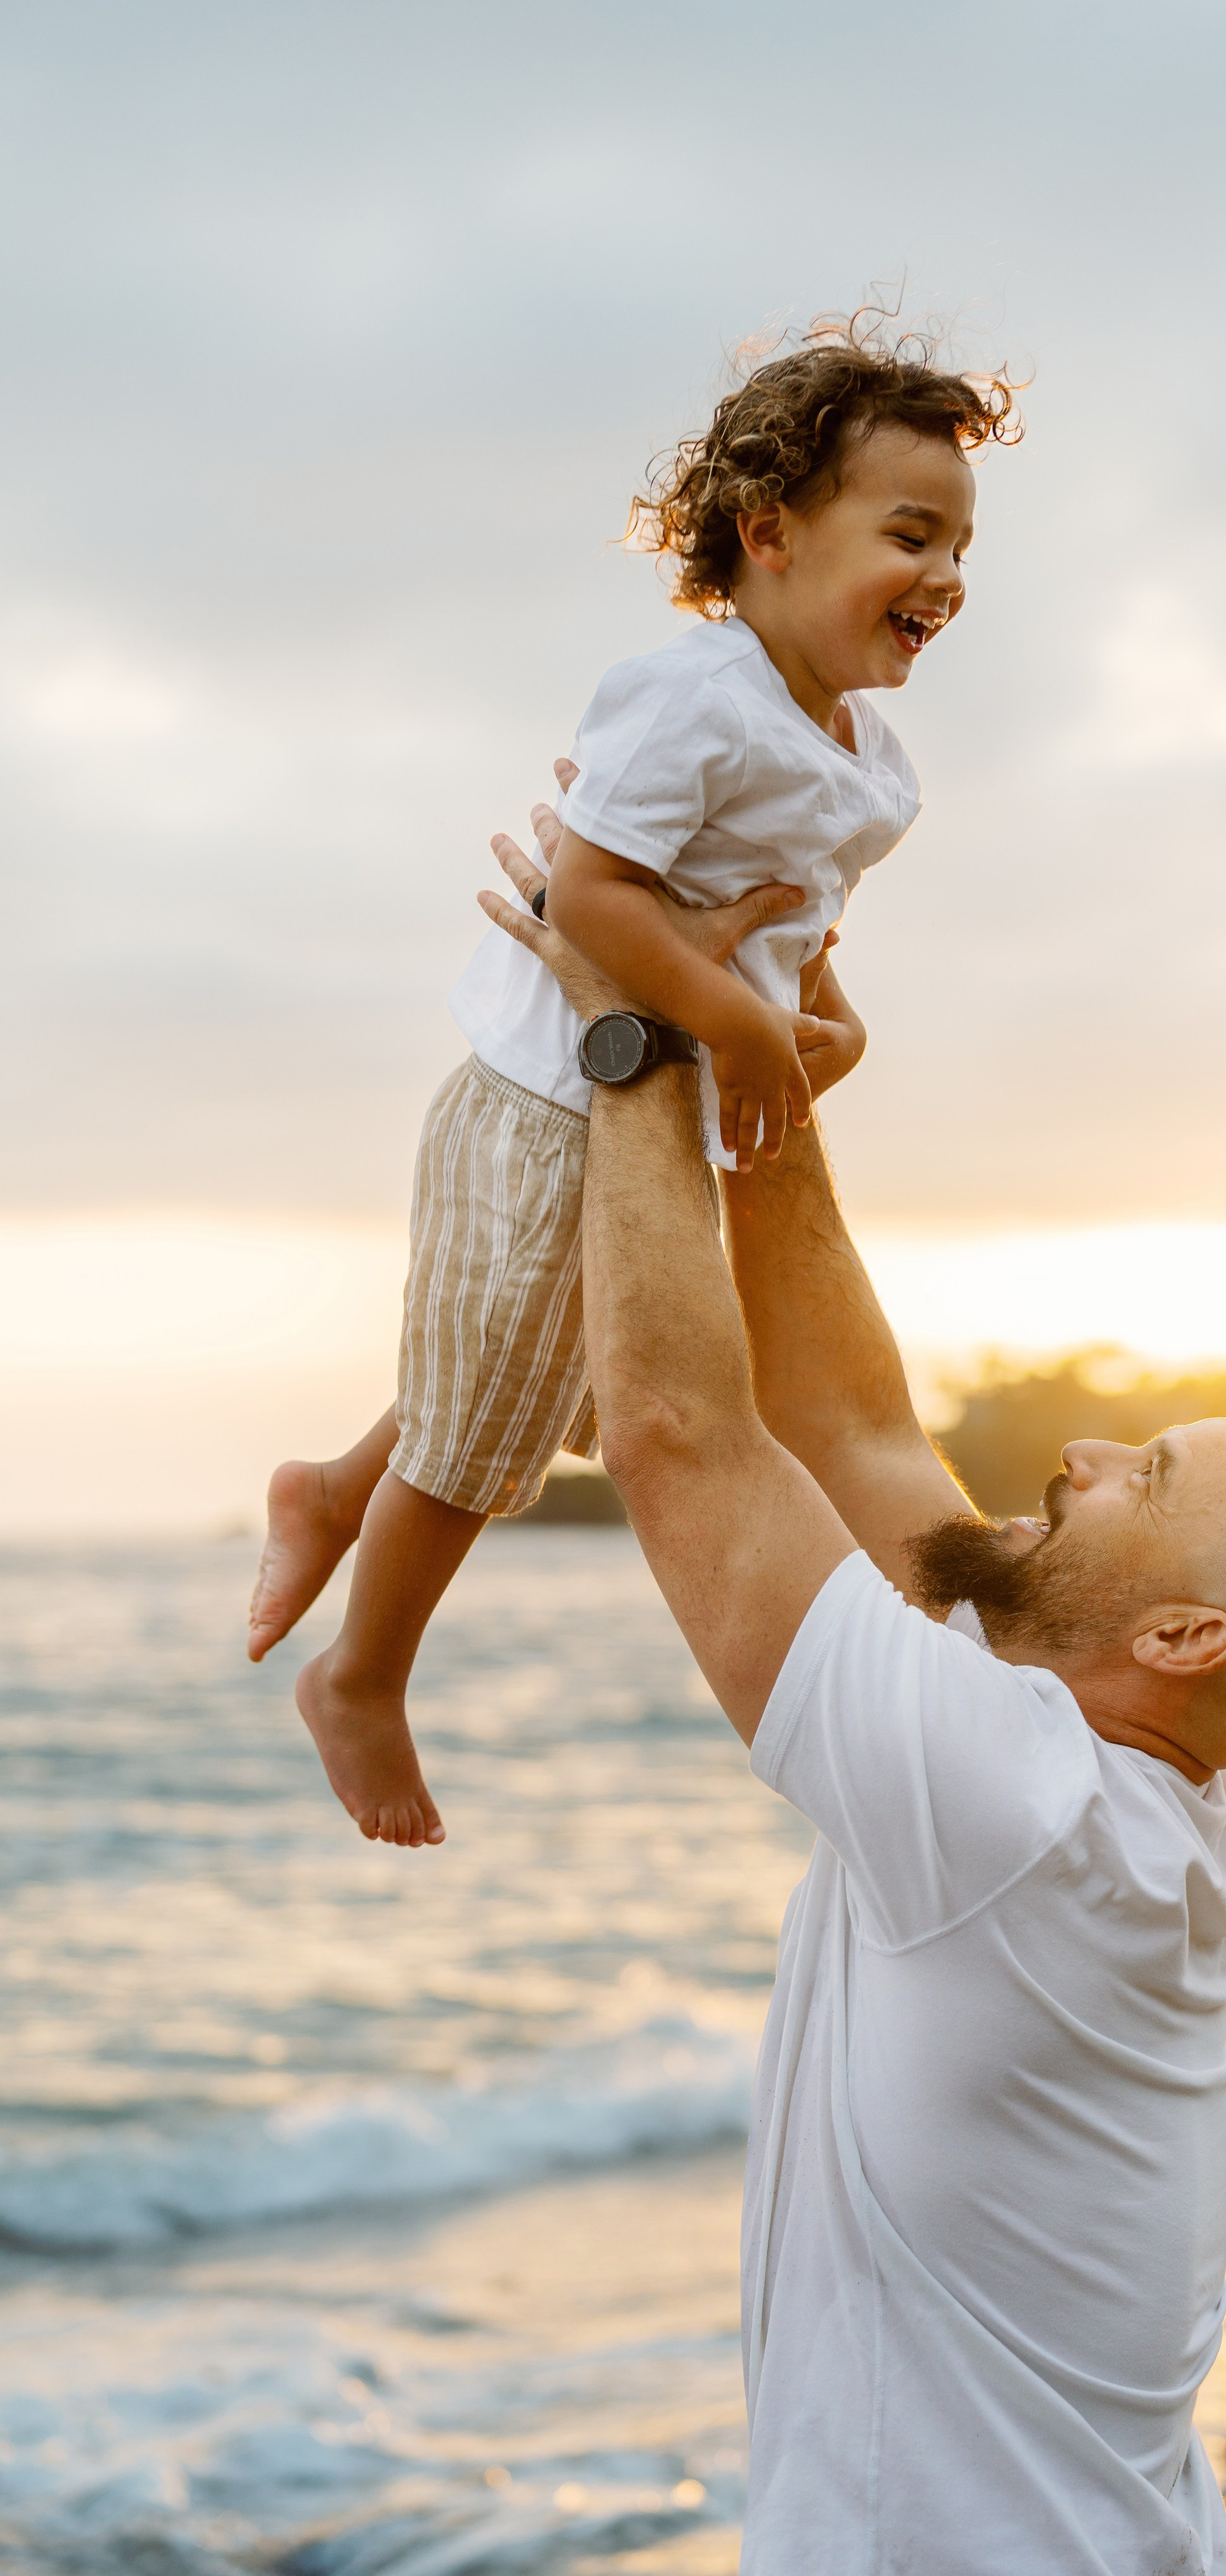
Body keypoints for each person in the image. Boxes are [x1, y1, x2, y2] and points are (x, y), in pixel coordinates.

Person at [475, 801, 1226, 2576]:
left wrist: (636, 1026)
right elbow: (858, 1429)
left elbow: (679, 1439)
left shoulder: (1021, 1811)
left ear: (1182, 1638)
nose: (1085, 1452)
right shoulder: (1164, 1802)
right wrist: (770, 1082)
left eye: (1143, 1475)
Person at [244, 315, 1019, 1849]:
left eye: (960, 547)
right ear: (769, 534)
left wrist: (819, 1023)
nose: (944, 575)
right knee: (489, 1418)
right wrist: (733, 1027)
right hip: (545, 1097)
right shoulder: (689, 698)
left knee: (524, 1374)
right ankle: (361, 1674)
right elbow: (592, 898)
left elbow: (796, 930)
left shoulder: (865, 757)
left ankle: (332, 1494)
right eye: (909, 535)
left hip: (646, 1111)